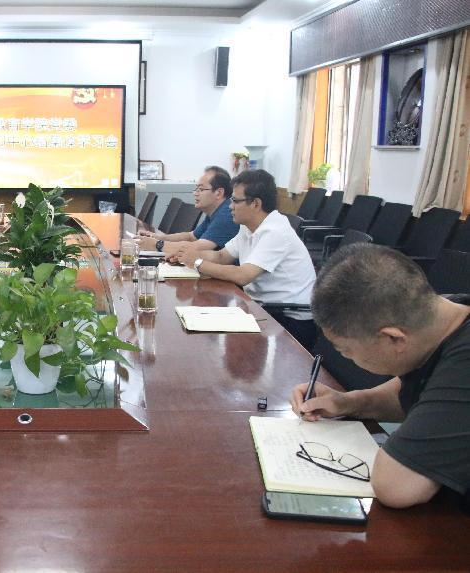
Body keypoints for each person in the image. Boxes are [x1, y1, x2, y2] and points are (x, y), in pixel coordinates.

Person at [291, 244, 470, 509]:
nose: (346, 357)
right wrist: (347, 402)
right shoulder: (443, 313)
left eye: (345, 350)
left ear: (394, 339)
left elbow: (396, 486)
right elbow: (418, 392)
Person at [176, 169, 317, 349]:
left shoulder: (276, 231)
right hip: (262, 308)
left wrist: (197, 263)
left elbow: (243, 275)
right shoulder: (248, 226)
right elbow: (221, 256)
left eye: (235, 201)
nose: (230, 206)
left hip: (290, 320)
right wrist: (188, 254)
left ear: (256, 204)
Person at [139, 165, 238, 255]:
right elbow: (191, 237)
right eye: (196, 189)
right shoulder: (215, 211)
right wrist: (158, 237)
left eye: (201, 189)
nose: (195, 193)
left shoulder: (227, 214)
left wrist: (156, 244)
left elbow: (196, 248)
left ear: (219, 193)